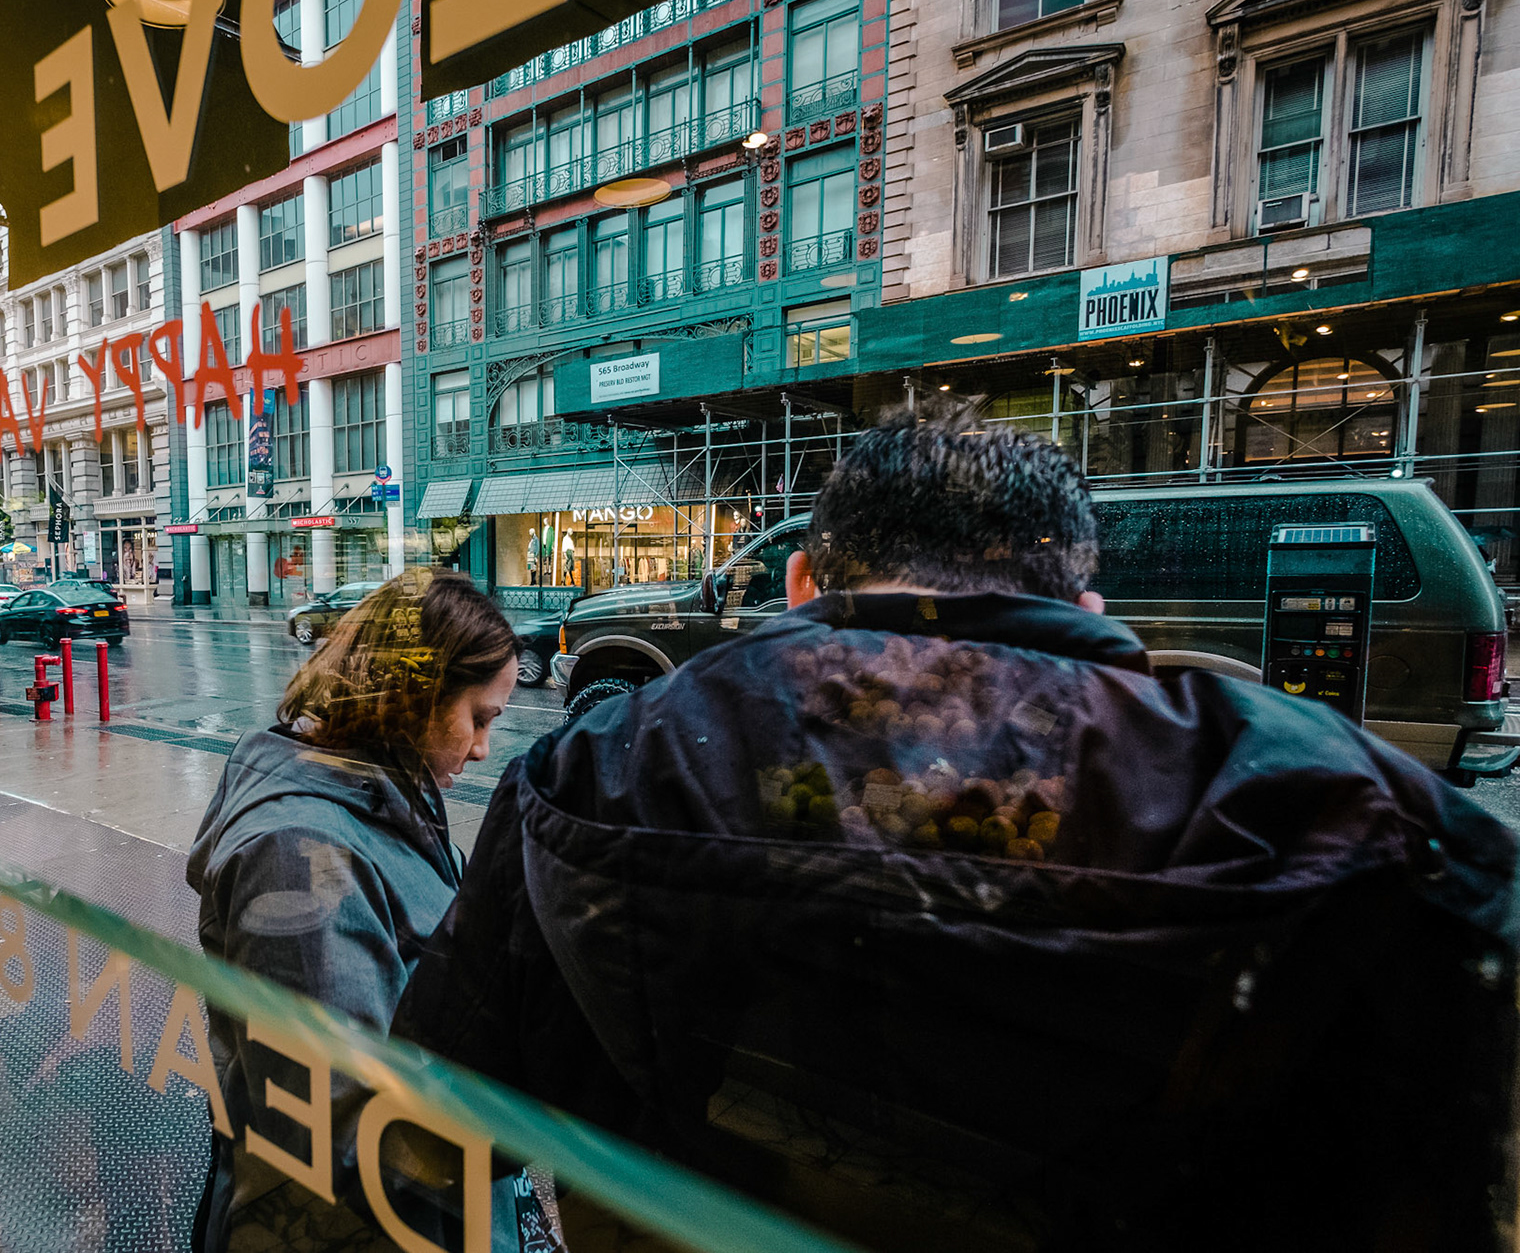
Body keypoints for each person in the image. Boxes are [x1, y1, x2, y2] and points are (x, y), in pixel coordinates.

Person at [396, 419, 1519, 1251]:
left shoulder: (600, 757)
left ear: (800, 583)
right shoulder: (1325, 792)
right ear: (1086, 604)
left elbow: (436, 1117)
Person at [187, 569, 533, 1253]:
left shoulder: (388, 794)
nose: (483, 747)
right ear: (415, 697)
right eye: (479, 717)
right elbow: (341, 1129)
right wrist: (538, 1097)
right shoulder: (299, 852)